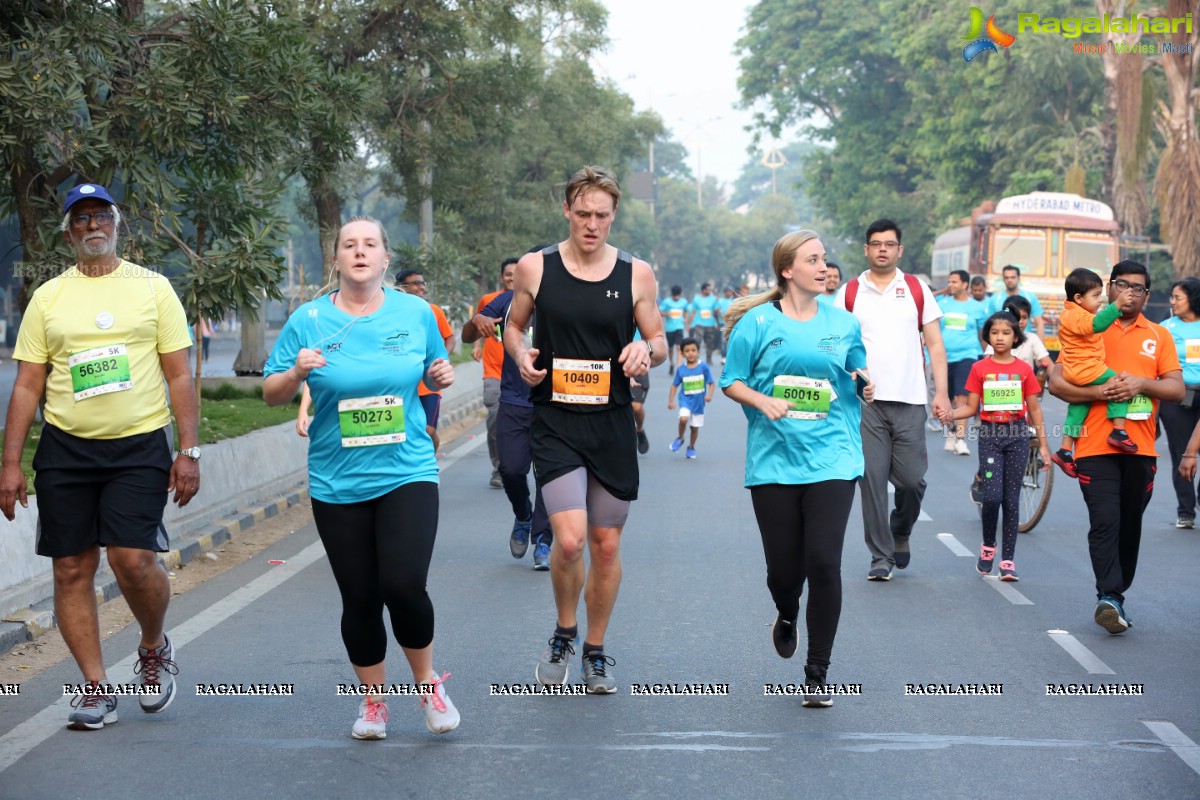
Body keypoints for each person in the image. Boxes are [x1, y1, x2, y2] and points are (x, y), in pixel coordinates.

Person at [0, 183, 199, 730]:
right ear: (68, 232)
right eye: (81, 219)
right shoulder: (49, 296)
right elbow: (25, 386)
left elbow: (179, 374)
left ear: (117, 224)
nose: (92, 226)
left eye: (101, 217)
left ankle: (153, 645)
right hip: (66, 447)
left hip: (138, 443)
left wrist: (188, 450)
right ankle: (94, 688)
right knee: (70, 567)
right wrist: (10, 463)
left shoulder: (153, 288)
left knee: (132, 559)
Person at [263, 216, 460, 738]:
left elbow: (437, 370)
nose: (359, 252)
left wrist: (440, 375)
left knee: (403, 584)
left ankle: (427, 686)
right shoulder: (307, 319)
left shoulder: (415, 312)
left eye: (369, 243)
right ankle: (373, 703)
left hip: (407, 470)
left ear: (385, 257)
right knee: (361, 597)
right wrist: (297, 373)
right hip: (336, 480)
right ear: (336, 258)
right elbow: (272, 393)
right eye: (349, 245)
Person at [505, 166, 666, 693]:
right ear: (567, 212)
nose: (592, 224)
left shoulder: (636, 273)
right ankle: (564, 630)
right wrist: (520, 353)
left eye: (602, 215)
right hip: (556, 421)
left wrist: (646, 349)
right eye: (582, 214)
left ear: (613, 215)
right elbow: (513, 324)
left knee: (605, 545)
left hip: (611, 423)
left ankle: (596, 650)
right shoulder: (536, 267)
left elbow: (659, 341)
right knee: (570, 542)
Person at [721, 229, 874, 707]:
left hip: (834, 456)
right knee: (784, 573)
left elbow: (858, 368)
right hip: (774, 462)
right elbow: (731, 381)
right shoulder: (758, 324)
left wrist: (864, 384)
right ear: (788, 270)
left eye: (825, 259)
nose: (824, 267)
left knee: (825, 562)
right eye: (813, 260)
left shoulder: (844, 323)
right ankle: (786, 613)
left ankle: (817, 672)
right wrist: (762, 400)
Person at [1048, 261, 1183, 634]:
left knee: (1130, 525)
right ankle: (1109, 596)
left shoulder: (1159, 335)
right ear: (1108, 288)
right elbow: (1057, 383)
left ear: (1146, 296)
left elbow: (1176, 389)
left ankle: (1116, 593)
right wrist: (1099, 392)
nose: (1128, 293)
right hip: (1094, 445)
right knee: (1105, 520)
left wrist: (1140, 384)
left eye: (1137, 288)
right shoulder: (1089, 326)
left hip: (1141, 447)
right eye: (1121, 285)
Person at [836, 218, 949, 580]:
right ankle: (880, 556)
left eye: (889, 244)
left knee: (912, 481)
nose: (882, 249)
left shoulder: (916, 289)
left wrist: (942, 393)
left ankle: (901, 530)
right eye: (875, 243)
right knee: (871, 481)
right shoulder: (849, 293)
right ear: (866, 249)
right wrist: (850, 378)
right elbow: (837, 345)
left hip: (911, 400)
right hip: (865, 404)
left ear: (899, 250)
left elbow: (934, 343)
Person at [941, 312, 1049, 582]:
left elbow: (1034, 408)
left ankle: (1008, 561)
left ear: (1016, 338)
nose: (1000, 338)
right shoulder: (980, 368)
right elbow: (971, 407)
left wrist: (1044, 446)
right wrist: (950, 415)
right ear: (987, 336)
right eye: (995, 333)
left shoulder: (1024, 370)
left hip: (1017, 437)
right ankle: (988, 547)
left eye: (1006, 333)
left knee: (1011, 500)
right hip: (990, 436)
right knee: (991, 497)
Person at [463, 250, 554, 569]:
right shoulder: (506, 301)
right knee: (511, 469)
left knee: (548, 475)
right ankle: (523, 516)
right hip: (514, 399)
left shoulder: (563, 300)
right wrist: (478, 320)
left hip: (555, 403)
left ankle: (543, 540)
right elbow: (467, 335)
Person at [1050, 268, 1136, 478]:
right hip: (1085, 368)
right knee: (1118, 383)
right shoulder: (1075, 315)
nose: (1100, 301)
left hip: (1076, 369)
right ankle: (1118, 431)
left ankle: (1064, 450)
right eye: (1096, 296)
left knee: (1079, 405)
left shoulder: (1073, 312)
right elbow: (1097, 325)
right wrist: (1116, 305)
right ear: (1078, 298)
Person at [469, 258, 517, 488]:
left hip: (524, 374)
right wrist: (477, 344)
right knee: (496, 418)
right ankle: (498, 468)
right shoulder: (489, 300)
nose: (512, 278)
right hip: (495, 370)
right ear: (502, 277)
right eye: (508, 274)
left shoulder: (533, 300)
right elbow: (480, 322)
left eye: (517, 273)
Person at [397, 269, 455, 452]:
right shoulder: (394, 313)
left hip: (428, 384)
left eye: (423, 283)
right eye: (416, 283)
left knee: (428, 430)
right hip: (404, 384)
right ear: (402, 287)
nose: (422, 287)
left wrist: (439, 362)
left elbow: (450, 339)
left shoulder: (433, 311)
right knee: (405, 432)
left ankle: (431, 464)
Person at [1160, 277, 1200, 528]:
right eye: (1172, 297)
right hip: (1178, 395)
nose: (1172, 302)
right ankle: (1186, 510)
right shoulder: (1165, 327)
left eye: (1178, 298)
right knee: (1181, 451)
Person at [937, 269, 988, 456]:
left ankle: (960, 439)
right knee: (948, 400)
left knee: (962, 397)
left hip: (967, 356)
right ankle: (950, 433)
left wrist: (986, 355)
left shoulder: (976, 308)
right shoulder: (942, 304)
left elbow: (983, 334)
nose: (951, 285)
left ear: (965, 285)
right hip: (943, 358)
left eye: (954, 282)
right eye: (949, 282)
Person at [667, 337, 715, 459]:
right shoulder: (681, 369)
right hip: (685, 400)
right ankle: (680, 437)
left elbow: (711, 382)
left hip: (699, 403)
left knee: (694, 427)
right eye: (687, 351)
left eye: (693, 350)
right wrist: (671, 401)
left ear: (698, 351)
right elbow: (674, 386)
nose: (691, 353)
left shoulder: (703, 367)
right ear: (682, 354)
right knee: (683, 419)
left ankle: (691, 447)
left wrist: (709, 395)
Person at [989, 265, 1046, 339]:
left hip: (1025, 342)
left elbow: (1039, 324)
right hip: (1003, 341)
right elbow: (990, 324)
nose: (1009, 280)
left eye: (1013, 277)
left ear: (1018, 278)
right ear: (1003, 279)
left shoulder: (1030, 297)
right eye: (1006, 277)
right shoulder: (995, 299)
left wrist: (1041, 348)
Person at [688, 283, 721, 364]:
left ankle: (709, 359)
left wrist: (717, 322)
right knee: (698, 341)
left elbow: (716, 312)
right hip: (699, 324)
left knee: (709, 343)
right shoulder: (697, 299)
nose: (710, 291)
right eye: (709, 289)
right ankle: (696, 358)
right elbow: (693, 312)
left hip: (710, 324)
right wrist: (689, 324)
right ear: (704, 290)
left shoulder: (713, 299)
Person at [659, 285, 689, 375]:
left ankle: (679, 367)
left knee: (679, 347)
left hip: (679, 327)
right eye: (674, 295)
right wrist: (666, 314)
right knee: (671, 349)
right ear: (672, 294)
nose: (676, 297)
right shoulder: (667, 302)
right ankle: (672, 363)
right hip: (669, 328)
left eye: (677, 295)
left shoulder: (684, 302)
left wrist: (686, 318)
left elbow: (686, 310)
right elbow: (659, 311)